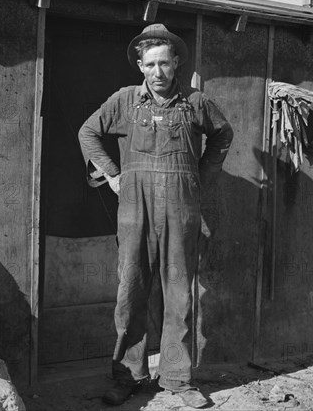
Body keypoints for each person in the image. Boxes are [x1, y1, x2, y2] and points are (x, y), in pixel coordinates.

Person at [78, 23, 232, 408]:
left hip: (181, 209)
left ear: (176, 62)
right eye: (150, 64)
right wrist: (112, 175)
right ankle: (127, 376)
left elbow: (223, 135)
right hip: (135, 209)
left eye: (165, 62)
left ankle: (178, 380)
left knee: (178, 292)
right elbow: (88, 132)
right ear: (139, 66)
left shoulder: (196, 102)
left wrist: (200, 177)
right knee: (131, 291)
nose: (158, 71)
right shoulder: (125, 101)